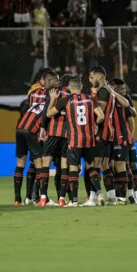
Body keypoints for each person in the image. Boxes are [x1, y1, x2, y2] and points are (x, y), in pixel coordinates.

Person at [46, 77, 105, 207]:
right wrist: (95, 125)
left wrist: (52, 99)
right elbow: (101, 116)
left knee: (73, 169)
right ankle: (99, 193)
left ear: (69, 87)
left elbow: (49, 114)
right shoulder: (89, 98)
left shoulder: (65, 100)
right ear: (81, 86)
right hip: (89, 139)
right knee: (91, 167)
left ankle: (74, 201)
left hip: (74, 140)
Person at [82, 66, 130, 206]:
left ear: (100, 77)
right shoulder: (109, 91)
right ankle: (112, 198)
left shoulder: (103, 92)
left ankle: (93, 198)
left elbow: (100, 115)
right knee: (105, 166)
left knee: (92, 165)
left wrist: (93, 126)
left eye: (92, 77)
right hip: (109, 134)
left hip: (100, 134)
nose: (90, 80)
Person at [13, 68, 59, 206]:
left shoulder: (33, 92)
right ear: (49, 81)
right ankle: (40, 198)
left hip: (20, 127)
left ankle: (18, 199)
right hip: (33, 129)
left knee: (21, 162)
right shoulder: (52, 95)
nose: (58, 83)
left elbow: (27, 108)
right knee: (39, 163)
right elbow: (47, 112)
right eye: (56, 81)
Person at [110, 78, 137, 204]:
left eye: (125, 88)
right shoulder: (109, 99)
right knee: (120, 166)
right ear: (113, 88)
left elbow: (132, 116)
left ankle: (136, 195)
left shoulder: (125, 99)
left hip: (125, 138)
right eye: (121, 89)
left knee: (131, 165)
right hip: (114, 138)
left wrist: (131, 137)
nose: (124, 91)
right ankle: (129, 195)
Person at [39, 74, 71, 207]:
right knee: (64, 167)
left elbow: (46, 112)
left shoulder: (54, 92)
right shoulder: (72, 95)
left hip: (53, 132)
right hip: (67, 134)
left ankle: (43, 198)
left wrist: (42, 127)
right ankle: (62, 199)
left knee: (45, 165)